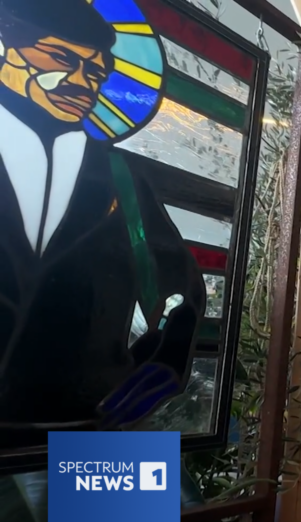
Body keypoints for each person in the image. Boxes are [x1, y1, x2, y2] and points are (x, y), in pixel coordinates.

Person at [0, 0, 205, 453]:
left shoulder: (122, 180)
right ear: (9, 48)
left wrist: (168, 362)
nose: (81, 83)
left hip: (95, 442)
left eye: (94, 73)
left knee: (177, 521)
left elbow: (181, 286)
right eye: (61, 59)